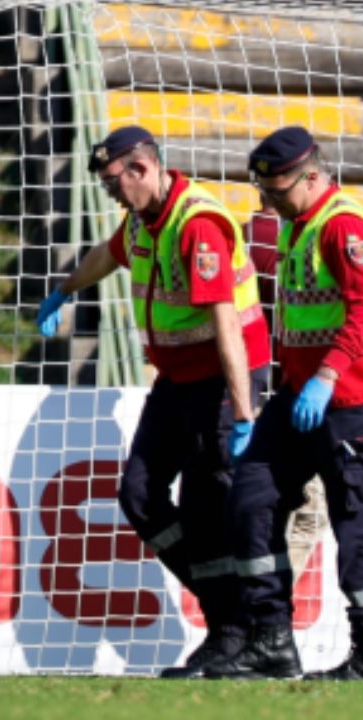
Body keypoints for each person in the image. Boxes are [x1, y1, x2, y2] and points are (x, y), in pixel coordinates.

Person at [34, 125, 271, 678]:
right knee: (139, 494)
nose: (112, 194)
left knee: (207, 509)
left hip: (221, 377)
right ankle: (230, 613)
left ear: (141, 169)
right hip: (178, 379)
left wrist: (242, 413)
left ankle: (237, 632)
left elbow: (227, 326)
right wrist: (65, 289)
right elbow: (108, 254)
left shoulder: (199, 226)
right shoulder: (144, 218)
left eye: (115, 183)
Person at [204, 126, 363, 682]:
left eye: (276, 189)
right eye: (263, 189)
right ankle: (271, 640)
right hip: (299, 398)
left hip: (353, 400)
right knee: (250, 500)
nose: (267, 200)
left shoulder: (342, 226)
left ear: (311, 176)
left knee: (357, 526)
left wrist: (326, 375)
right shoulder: (299, 225)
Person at [243, 192, 328, 580]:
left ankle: (260, 609)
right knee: (308, 512)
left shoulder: (241, 237)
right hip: (299, 395)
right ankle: (269, 610)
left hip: (250, 392)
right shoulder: (304, 238)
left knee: (261, 508)